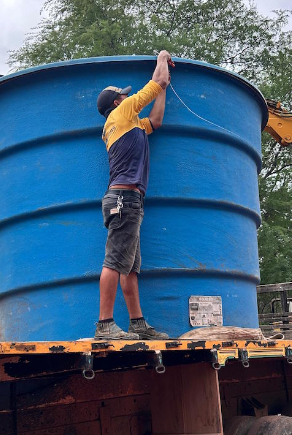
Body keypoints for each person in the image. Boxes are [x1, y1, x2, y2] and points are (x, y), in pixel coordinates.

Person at [93, 50, 174, 340]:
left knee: (129, 267)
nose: (128, 98)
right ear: (118, 102)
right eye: (124, 96)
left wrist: (163, 88)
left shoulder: (125, 125)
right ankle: (105, 325)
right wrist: (162, 58)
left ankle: (137, 323)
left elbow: (156, 121)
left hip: (127, 200)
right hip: (124, 200)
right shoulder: (122, 112)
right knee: (115, 261)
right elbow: (158, 81)